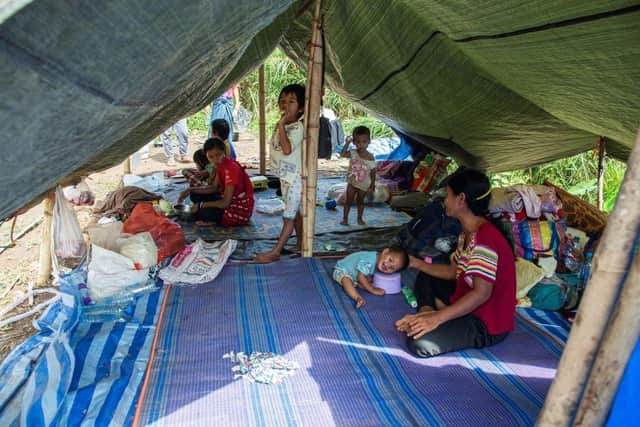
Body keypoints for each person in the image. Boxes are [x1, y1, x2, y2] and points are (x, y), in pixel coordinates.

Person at [395, 168, 516, 358]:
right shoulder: (467, 231)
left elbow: (482, 294)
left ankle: (437, 315)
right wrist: (416, 263)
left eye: (448, 195)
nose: (445, 201)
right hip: (466, 298)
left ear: (461, 199)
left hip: (485, 321)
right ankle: (426, 312)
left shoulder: (485, 240)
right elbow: (454, 271)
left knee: (420, 343)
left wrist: (438, 318)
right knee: (428, 273)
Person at [253, 84, 305, 263]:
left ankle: (275, 252)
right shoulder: (282, 125)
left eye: (291, 102)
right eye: (283, 101)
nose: (286, 105)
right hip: (285, 177)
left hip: (294, 179)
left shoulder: (297, 127)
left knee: (288, 217)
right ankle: (300, 244)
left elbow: (287, 149)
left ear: (301, 108)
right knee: (295, 213)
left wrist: (282, 124)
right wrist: (281, 125)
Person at [179, 138, 254, 226]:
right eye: (211, 157)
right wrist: (190, 189)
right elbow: (214, 188)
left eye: (218, 155)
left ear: (224, 152)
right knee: (195, 195)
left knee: (202, 212)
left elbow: (226, 203)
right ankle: (208, 214)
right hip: (227, 201)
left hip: (238, 210)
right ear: (206, 156)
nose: (215, 160)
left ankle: (214, 220)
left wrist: (201, 205)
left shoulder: (230, 168)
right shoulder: (219, 165)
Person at [333, 246, 409, 309]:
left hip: (355, 276)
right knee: (346, 280)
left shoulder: (379, 261)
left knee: (369, 280)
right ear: (385, 251)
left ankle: (359, 284)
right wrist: (372, 289)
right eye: (390, 260)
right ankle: (357, 297)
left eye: (392, 268)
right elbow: (360, 276)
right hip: (342, 270)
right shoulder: (369, 259)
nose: (387, 265)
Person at [340, 126, 376, 225]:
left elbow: (373, 171)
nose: (361, 145)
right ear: (354, 142)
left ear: (369, 142)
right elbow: (342, 154)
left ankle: (359, 218)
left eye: (364, 142)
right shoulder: (352, 153)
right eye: (358, 142)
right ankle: (345, 219)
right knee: (348, 201)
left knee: (361, 201)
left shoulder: (370, 156)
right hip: (352, 182)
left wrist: (372, 183)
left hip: (364, 184)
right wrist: (347, 143)